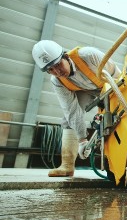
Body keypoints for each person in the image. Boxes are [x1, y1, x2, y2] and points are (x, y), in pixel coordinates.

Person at [32, 40, 121, 177]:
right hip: (87, 90)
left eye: (58, 65)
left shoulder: (89, 56)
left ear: (65, 56)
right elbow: (71, 110)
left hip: (110, 84)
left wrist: (117, 99)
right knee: (68, 119)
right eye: (50, 70)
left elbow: (116, 75)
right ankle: (67, 166)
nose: (57, 71)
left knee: (119, 116)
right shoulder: (57, 81)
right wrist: (82, 140)